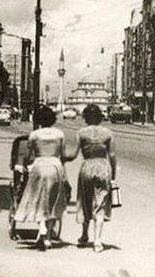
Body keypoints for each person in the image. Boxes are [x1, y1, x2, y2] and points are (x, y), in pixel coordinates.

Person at [14, 105, 68, 250]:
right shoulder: (59, 134)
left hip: (39, 166)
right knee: (53, 201)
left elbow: (27, 156)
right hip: (55, 166)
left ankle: (42, 227)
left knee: (38, 199)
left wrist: (25, 166)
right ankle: (48, 237)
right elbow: (63, 155)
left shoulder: (34, 135)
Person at [66, 104, 117, 253]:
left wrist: (61, 157)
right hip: (103, 167)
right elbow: (112, 156)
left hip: (87, 166)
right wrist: (113, 174)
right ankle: (98, 241)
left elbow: (74, 154)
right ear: (100, 117)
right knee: (100, 205)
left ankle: (84, 235)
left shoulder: (81, 133)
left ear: (86, 117)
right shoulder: (108, 133)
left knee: (85, 201)